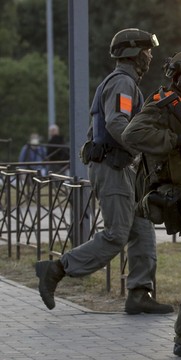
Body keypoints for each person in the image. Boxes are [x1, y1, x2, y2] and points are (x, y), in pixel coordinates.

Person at [35, 28, 173, 315]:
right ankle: (57, 268)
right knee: (116, 234)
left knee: (143, 230)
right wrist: (148, 146)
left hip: (124, 168)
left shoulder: (127, 83)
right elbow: (117, 123)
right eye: (146, 51)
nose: (150, 56)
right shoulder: (122, 83)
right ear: (133, 53)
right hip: (112, 167)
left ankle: (139, 293)